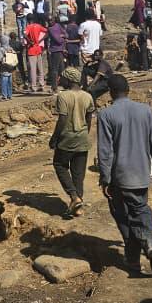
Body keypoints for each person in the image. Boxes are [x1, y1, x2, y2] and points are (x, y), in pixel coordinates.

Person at [97, 74, 152, 275]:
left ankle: (142, 253)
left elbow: (105, 151)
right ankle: (142, 253)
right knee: (139, 211)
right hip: (141, 175)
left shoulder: (106, 114)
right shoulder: (145, 111)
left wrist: (105, 179)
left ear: (111, 92)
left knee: (124, 216)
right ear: (128, 90)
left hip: (119, 177)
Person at [50, 66, 95, 217]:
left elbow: (62, 119)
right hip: (82, 138)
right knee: (78, 173)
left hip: (67, 138)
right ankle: (78, 205)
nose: (60, 80)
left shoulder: (63, 96)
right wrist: (84, 133)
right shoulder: (87, 96)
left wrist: (54, 138)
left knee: (59, 165)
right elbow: (89, 118)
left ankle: (74, 196)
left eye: (62, 78)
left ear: (69, 80)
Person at [24, 15, 48, 93]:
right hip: (38, 48)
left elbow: (24, 35)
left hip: (31, 50)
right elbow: (47, 31)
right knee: (40, 68)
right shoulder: (38, 26)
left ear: (28, 20)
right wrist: (40, 40)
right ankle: (42, 85)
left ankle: (34, 87)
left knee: (33, 69)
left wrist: (29, 41)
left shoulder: (28, 27)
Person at [47, 17, 68, 94]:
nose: (50, 22)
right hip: (55, 50)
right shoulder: (50, 29)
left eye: (51, 20)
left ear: (54, 20)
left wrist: (63, 36)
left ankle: (64, 85)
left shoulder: (58, 25)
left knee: (61, 69)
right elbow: (58, 40)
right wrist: (63, 38)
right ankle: (54, 87)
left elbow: (66, 34)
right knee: (55, 70)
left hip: (60, 50)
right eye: (48, 20)